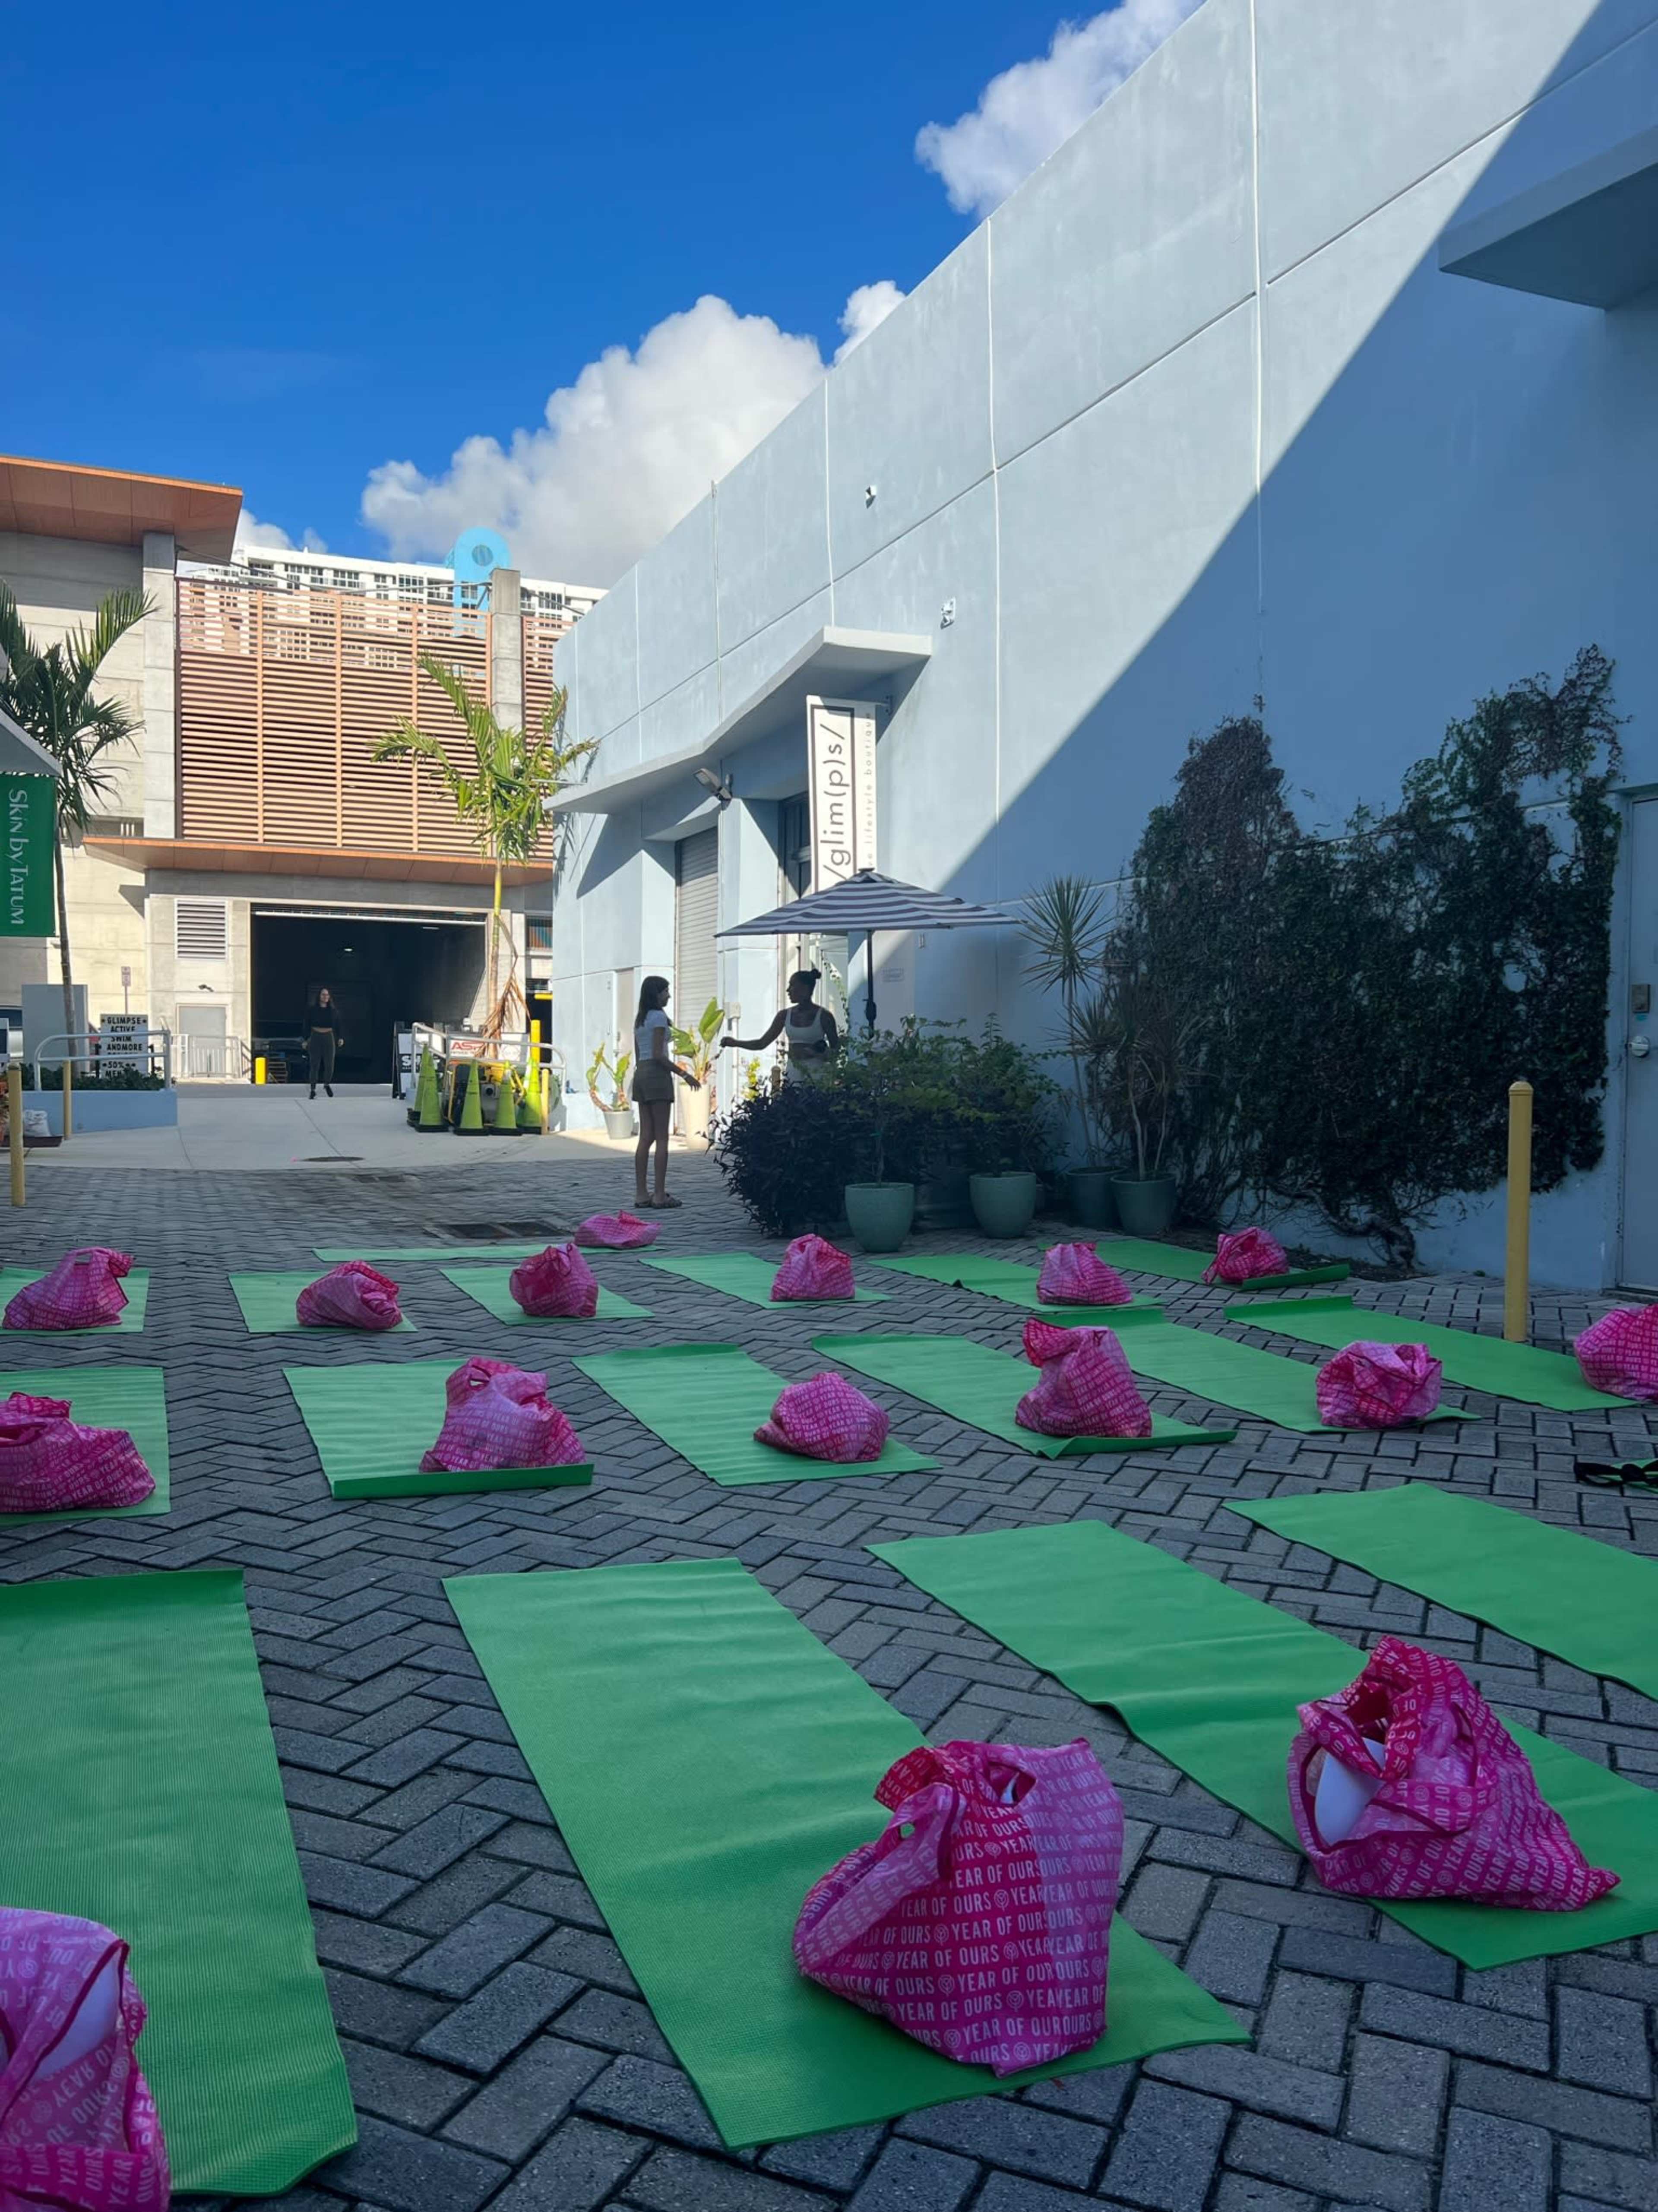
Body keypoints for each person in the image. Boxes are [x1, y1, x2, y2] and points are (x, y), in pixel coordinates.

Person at [631, 976, 700, 1209]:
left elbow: (639, 1053)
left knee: (645, 1137)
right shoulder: (659, 1017)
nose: (669, 996)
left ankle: (642, 1193)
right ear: (656, 994)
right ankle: (660, 1195)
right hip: (657, 1076)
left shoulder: (640, 1020)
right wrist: (684, 1074)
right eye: (666, 992)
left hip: (641, 1073)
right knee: (662, 1138)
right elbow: (660, 1055)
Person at [722, 968, 840, 1084]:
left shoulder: (824, 1016)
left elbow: (836, 1051)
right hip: (794, 1072)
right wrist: (735, 1043)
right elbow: (762, 1043)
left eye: (792, 986)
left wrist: (817, 1054)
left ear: (805, 989)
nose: (788, 990)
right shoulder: (784, 1016)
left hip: (818, 1074)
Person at [304, 987, 344, 1100]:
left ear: (329, 997)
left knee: (329, 1064)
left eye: (327, 995)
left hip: (328, 1036)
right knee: (314, 1064)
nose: (325, 997)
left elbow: (338, 1025)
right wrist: (306, 1039)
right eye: (323, 995)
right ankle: (313, 1089)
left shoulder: (333, 1011)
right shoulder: (312, 1010)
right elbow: (306, 1024)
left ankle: (327, 1084)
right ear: (319, 996)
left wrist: (340, 1037)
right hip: (315, 1035)